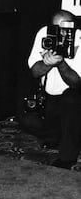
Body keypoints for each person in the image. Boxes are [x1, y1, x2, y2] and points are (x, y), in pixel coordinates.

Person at [28, 9, 81, 169]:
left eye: (66, 29)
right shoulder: (44, 34)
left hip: (75, 97)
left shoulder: (79, 38)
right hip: (49, 97)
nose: (61, 34)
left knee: (71, 99)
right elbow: (35, 72)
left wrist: (60, 63)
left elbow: (76, 83)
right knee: (29, 121)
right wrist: (47, 63)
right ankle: (57, 134)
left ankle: (67, 158)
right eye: (56, 29)